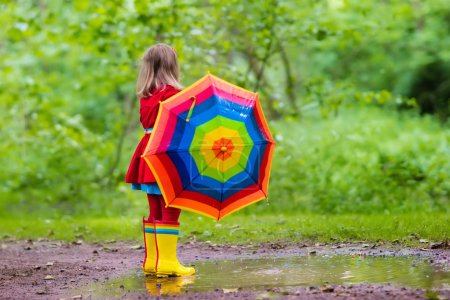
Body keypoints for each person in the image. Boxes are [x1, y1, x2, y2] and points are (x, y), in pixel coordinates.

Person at [125, 43, 195, 277]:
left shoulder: (146, 95)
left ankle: (153, 260)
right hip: (167, 154)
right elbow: (182, 129)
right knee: (172, 205)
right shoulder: (175, 95)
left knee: (155, 206)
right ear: (172, 66)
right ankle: (168, 262)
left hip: (148, 153)